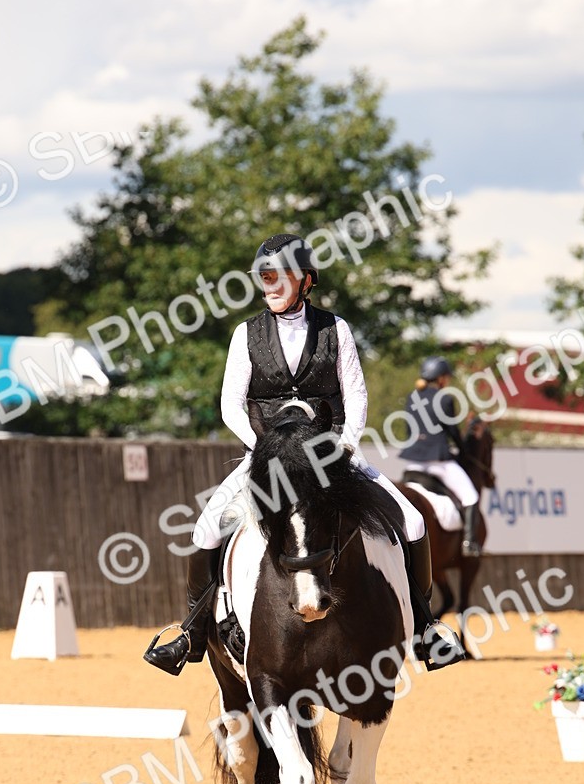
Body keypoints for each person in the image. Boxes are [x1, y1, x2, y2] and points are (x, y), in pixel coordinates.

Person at [144, 234, 465, 675]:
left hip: (332, 451)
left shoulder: (337, 329)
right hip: (269, 458)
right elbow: (230, 405)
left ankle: (427, 630)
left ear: (305, 280)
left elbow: (357, 397)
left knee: (411, 519)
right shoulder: (246, 334)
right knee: (206, 528)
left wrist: (344, 448)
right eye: (263, 277)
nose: (269, 285)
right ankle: (192, 633)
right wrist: (264, 450)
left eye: (278, 276)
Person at [399, 356, 481, 557]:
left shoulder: (412, 397)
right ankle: (469, 543)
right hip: (437, 462)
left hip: (413, 462)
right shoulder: (444, 398)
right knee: (471, 497)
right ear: (441, 378)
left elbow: (409, 429)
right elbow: (452, 431)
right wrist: (463, 451)